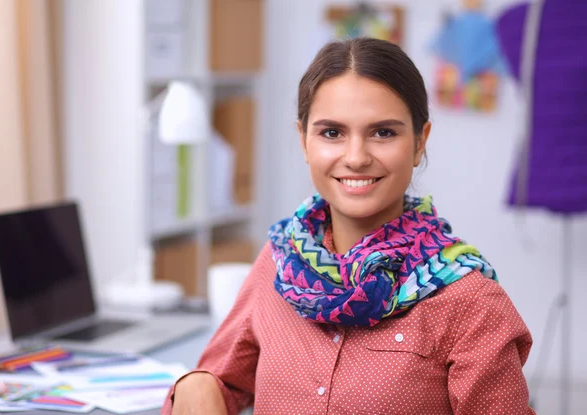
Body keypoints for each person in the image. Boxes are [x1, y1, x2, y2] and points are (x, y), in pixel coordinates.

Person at [164, 37, 535, 415]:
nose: (356, 157)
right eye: (331, 133)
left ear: (420, 142)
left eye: (383, 132)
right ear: (304, 141)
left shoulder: (469, 300)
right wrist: (197, 386)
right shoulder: (279, 262)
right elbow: (222, 381)